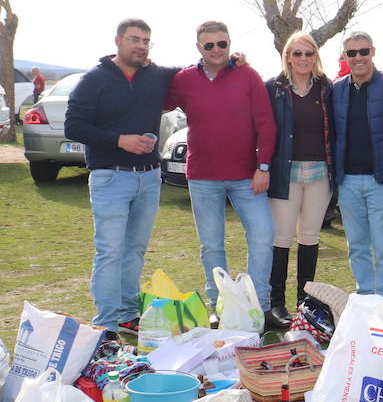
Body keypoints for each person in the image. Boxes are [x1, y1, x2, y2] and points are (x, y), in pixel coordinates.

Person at [64, 19, 179, 333]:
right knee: (110, 250)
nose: (141, 45)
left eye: (146, 40)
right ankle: (106, 324)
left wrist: (234, 60)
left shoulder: (156, 76)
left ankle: (128, 314)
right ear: (118, 40)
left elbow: (196, 73)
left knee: (135, 250)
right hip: (110, 177)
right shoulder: (94, 79)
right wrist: (120, 140)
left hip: (149, 177)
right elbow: (73, 127)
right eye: (134, 39)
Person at [166, 21, 276, 317]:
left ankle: (258, 306)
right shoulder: (184, 79)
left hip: (247, 177)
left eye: (222, 44)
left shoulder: (248, 75)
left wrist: (263, 167)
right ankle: (220, 306)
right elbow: (154, 101)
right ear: (199, 47)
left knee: (263, 238)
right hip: (203, 177)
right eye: (209, 45)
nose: (217, 50)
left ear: (230, 43)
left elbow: (266, 123)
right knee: (211, 245)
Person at [263, 32, 335, 329]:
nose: (303, 59)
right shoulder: (273, 88)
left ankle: (306, 303)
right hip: (285, 173)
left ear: (315, 56)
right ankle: (276, 302)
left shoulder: (327, 89)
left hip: (320, 173)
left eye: (308, 53)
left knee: (310, 236)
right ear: (287, 57)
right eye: (297, 54)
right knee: (281, 238)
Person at [332, 30, 383, 306]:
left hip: (381, 179)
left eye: (363, 51)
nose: (358, 57)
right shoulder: (337, 89)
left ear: (373, 51)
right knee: (357, 247)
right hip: (347, 180)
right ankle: (364, 299)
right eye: (352, 53)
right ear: (345, 56)